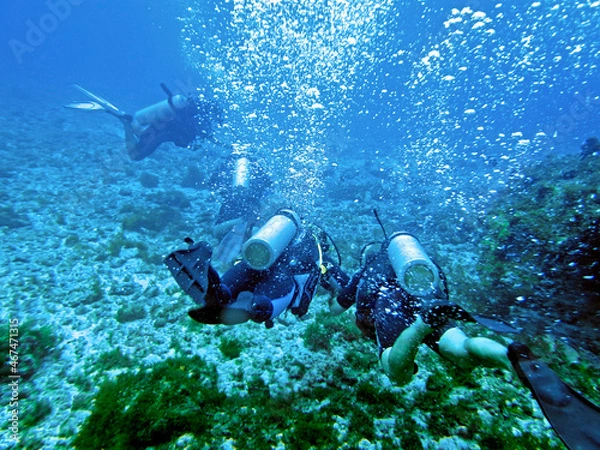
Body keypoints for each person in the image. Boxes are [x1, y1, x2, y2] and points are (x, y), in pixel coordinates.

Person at [332, 214, 600, 450]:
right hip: (426, 293)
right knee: (460, 350)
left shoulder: (369, 267)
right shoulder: (416, 265)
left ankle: (421, 324)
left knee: (396, 370)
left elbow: (336, 306)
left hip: (389, 300)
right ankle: (509, 354)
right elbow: (441, 281)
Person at [164, 209, 347, 328]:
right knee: (266, 299)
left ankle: (215, 290)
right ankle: (252, 307)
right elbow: (346, 286)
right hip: (282, 277)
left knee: (231, 284)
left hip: (251, 264)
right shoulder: (315, 250)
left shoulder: (272, 235)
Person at [65, 83, 222, 160]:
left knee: (142, 132)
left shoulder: (201, 120)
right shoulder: (205, 123)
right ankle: (124, 121)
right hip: (165, 130)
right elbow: (201, 139)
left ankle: (128, 121)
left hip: (166, 128)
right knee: (136, 156)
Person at [208, 148, 272, 268]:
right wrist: (244, 220)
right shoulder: (238, 203)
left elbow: (216, 230)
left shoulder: (229, 202)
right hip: (247, 217)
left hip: (242, 218)